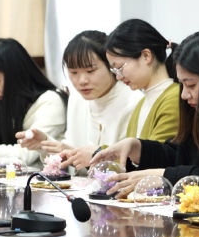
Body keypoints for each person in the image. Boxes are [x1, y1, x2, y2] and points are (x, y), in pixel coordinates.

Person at [93, 32, 199, 202]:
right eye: (181, 84)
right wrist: (138, 148)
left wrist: (166, 175)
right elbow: (178, 155)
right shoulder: (197, 113)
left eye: (191, 84)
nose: (184, 94)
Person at [19, 30, 141, 170]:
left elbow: (130, 166)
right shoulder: (77, 98)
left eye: (90, 71)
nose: (82, 81)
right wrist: (46, 143)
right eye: (74, 72)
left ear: (111, 66)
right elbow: (73, 148)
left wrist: (80, 155)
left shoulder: (133, 102)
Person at [104, 19, 180, 142]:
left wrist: (99, 151)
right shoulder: (140, 105)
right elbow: (129, 153)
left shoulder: (174, 99)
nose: (118, 77)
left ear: (146, 56)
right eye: (115, 71)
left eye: (120, 68)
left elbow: (154, 152)